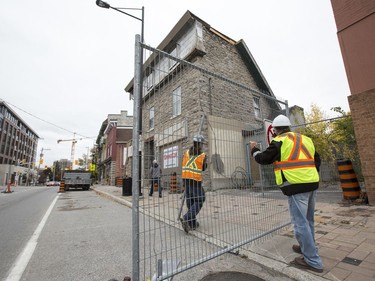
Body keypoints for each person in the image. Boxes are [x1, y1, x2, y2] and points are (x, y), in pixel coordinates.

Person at [249, 114, 323, 273]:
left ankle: (312, 260)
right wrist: (309, 175)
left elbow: (263, 159)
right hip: (311, 183)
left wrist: (254, 150)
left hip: (296, 186)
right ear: (289, 127)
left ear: (275, 130)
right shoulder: (305, 139)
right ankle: (307, 248)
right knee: (308, 220)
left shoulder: (279, 141)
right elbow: (317, 160)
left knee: (300, 224)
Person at [180, 134, 208, 233]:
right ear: (199, 144)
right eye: (202, 144)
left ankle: (192, 223)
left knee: (191, 202)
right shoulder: (202, 155)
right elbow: (204, 168)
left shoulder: (187, 152)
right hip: (195, 181)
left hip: (186, 180)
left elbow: (184, 164)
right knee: (200, 200)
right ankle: (186, 218)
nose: (203, 146)